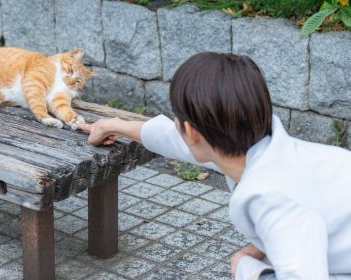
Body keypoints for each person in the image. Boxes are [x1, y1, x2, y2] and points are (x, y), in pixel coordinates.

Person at [77, 52, 351, 279]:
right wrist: (117, 126)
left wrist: (247, 268)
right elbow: (182, 141)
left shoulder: (268, 196)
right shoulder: (262, 150)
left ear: (191, 131)